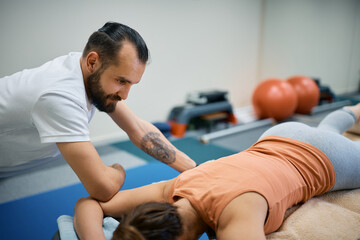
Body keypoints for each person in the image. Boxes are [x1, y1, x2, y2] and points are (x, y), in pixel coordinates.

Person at [73, 104, 360, 240]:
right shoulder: (176, 188)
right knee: (327, 130)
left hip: (321, 157)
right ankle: (353, 110)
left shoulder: (233, 220)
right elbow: (90, 204)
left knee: (332, 139)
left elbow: (89, 204)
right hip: (277, 135)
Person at [0, 22, 196, 202]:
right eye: (121, 81)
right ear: (92, 62)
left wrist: (196, 170)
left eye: (131, 84)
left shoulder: (88, 68)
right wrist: (118, 170)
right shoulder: (60, 96)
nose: (125, 95)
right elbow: (103, 187)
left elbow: (138, 129)